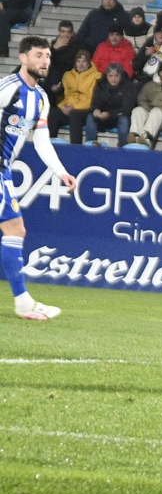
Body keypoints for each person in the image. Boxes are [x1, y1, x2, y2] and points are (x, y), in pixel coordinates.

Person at [0, 36, 78, 320]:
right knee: (15, 229)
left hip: (4, 170)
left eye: (47, 55)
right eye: (38, 55)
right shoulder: (8, 88)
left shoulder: (41, 98)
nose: (45, 61)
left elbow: (42, 141)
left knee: (15, 230)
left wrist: (61, 171)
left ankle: (23, 302)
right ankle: (23, 303)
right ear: (23, 58)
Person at [50, 49, 99, 145]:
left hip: (85, 110)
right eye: (78, 61)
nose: (81, 64)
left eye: (84, 61)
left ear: (89, 64)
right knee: (54, 113)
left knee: (75, 115)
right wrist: (63, 107)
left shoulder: (96, 76)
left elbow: (91, 99)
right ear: (75, 63)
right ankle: (50, 144)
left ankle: (76, 146)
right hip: (69, 108)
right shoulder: (67, 75)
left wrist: (73, 108)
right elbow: (66, 96)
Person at [128, 64, 162, 147]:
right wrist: (148, 109)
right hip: (149, 112)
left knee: (156, 111)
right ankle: (135, 135)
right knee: (138, 110)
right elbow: (141, 99)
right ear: (159, 73)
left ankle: (147, 137)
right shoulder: (149, 85)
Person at [89, 62, 135, 147]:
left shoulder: (128, 86)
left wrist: (109, 114)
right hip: (102, 116)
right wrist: (96, 110)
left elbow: (127, 109)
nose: (113, 79)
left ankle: (123, 147)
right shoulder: (100, 84)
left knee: (124, 120)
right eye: (110, 76)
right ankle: (89, 146)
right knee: (90, 117)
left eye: (116, 76)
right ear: (106, 76)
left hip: (118, 117)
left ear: (121, 75)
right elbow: (95, 102)